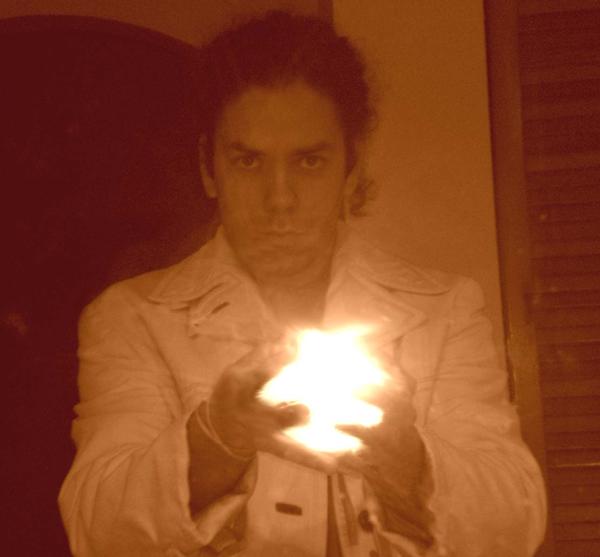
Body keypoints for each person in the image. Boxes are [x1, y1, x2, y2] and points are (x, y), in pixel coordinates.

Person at [59, 11, 547, 557]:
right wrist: (216, 438)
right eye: (248, 161)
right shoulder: (133, 318)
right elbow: (96, 530)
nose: (280, 199)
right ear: (208, 168)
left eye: (309, 161)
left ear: (350, 169)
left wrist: (407, 458)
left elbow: (516, 525)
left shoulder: (443, 311)